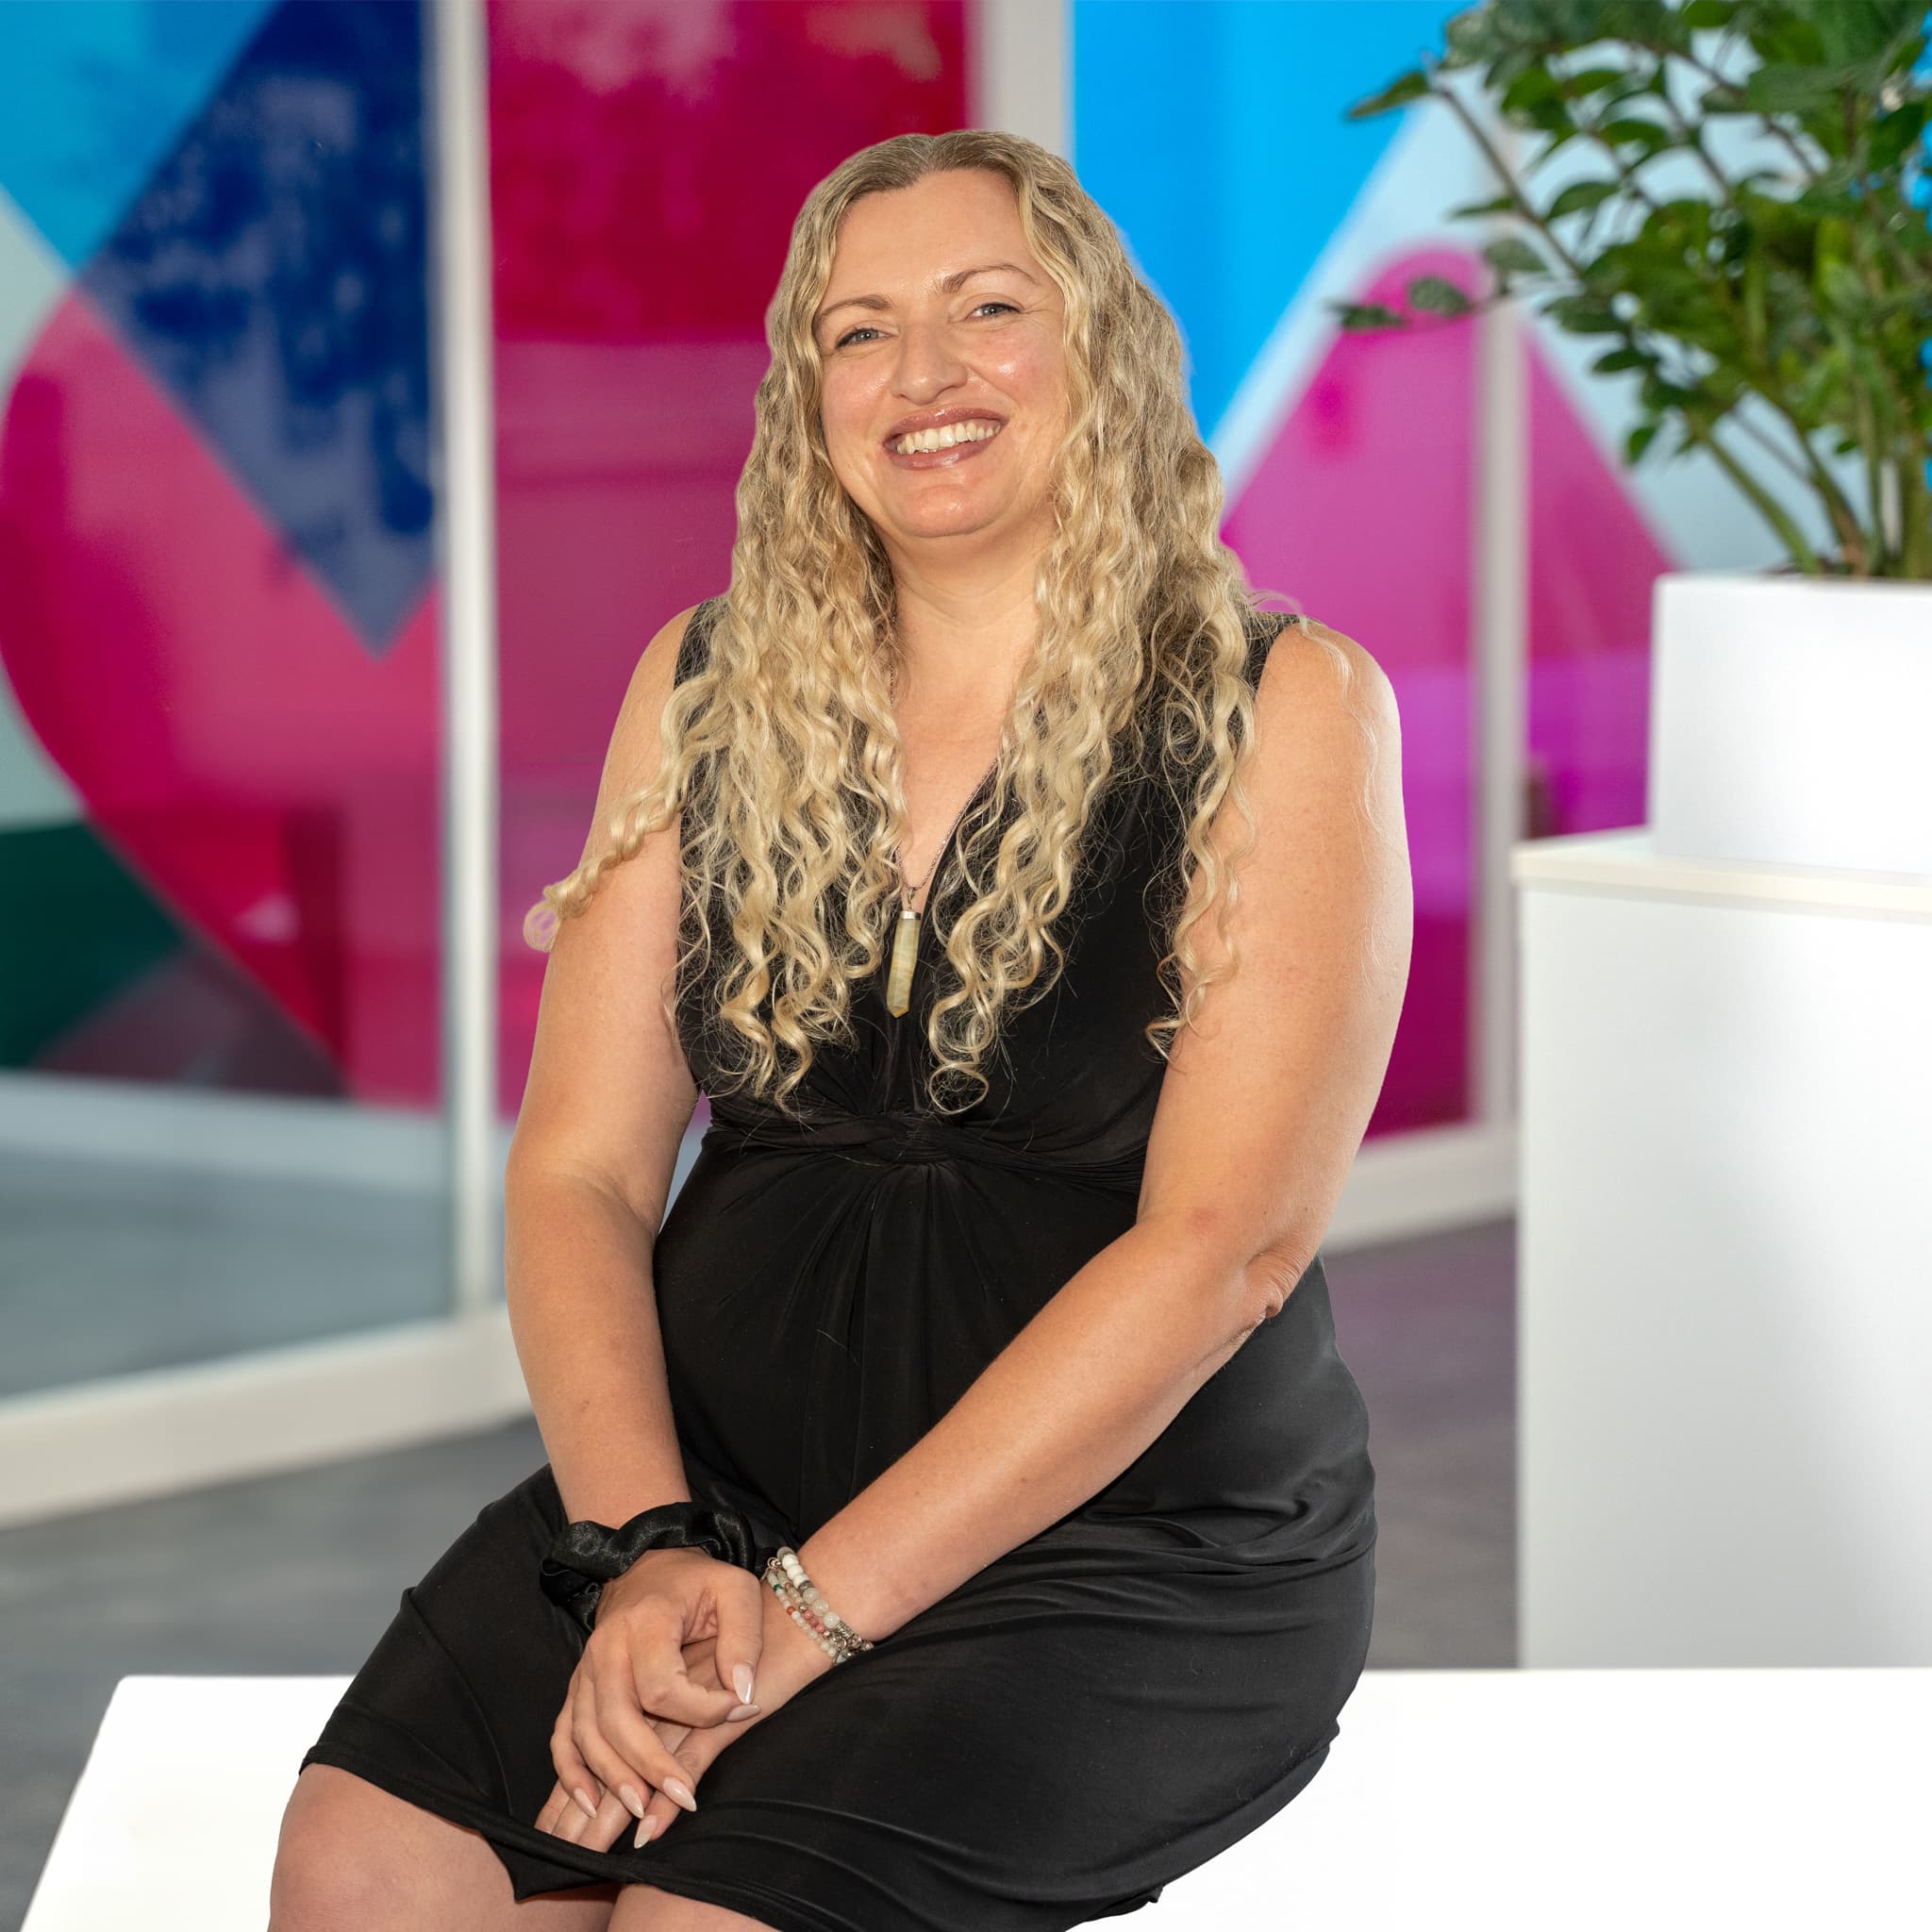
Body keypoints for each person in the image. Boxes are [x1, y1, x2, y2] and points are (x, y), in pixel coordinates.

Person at [270, 128, 1411, 1932]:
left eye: (988, 310)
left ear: (1101, 348)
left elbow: (1226, 1252)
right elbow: (575, 1169)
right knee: (362, 1873)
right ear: (809, 397)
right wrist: (646, 1551)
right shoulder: (706, 684)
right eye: (860, 333)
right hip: (717, 1489)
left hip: (1118, 1546)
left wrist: (799, 1619)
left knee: (691, 1925)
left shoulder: (1286, 706)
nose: (925, 377)